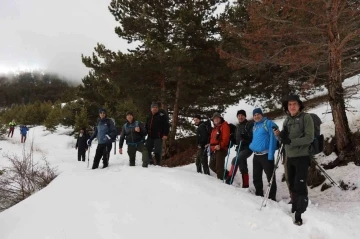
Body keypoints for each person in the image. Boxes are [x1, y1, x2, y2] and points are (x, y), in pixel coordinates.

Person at [274, 95, 314, 226]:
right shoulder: (286, 121)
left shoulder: (306, 118)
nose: (292, 106)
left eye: (294, 104)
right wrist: (279, 136)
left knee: (300, 184)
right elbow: (284, 139)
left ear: (299, 105)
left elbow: (309, 138)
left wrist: (291, 141)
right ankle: (295, 205)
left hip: (302, 156)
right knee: (291, 183)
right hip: (289, 157)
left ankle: (299, 213)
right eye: (290, 104)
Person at [249, 108, 278, 201]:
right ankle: (259, 193)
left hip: (266, 155)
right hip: (256, 155)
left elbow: (273, 140)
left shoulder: (268, 123)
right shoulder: (255, 126)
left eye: (258, 114)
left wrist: (270, 155)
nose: (256, 116)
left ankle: (272, 197)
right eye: (254, 115)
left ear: (262, 114)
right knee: (256, 176)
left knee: (270, 177)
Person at [224, 110, 253, 187]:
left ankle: (229, 181)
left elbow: (253, 137)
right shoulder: (238, 126)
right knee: (242, 167)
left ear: (245, 116)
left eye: (242, 115)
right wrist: (232, 140)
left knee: (235, 160)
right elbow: (236, 139)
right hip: (239, 148)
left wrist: (246, 137)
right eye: (239, 116)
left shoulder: (249, 124)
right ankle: (246, 185)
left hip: (247, 148)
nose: (240, 117)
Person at [209, 112, 230, 180]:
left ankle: (221, 181)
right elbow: (212, 139)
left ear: (220, 118)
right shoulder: (214, 128)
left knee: (219, 167)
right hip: (214, 150)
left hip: (221, 149)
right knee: (212, 165)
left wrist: (220, 146)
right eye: (214, 119)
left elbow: (226, 139)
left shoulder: (224, 126)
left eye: (217, 118)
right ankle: (227, 174)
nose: (216, 119)